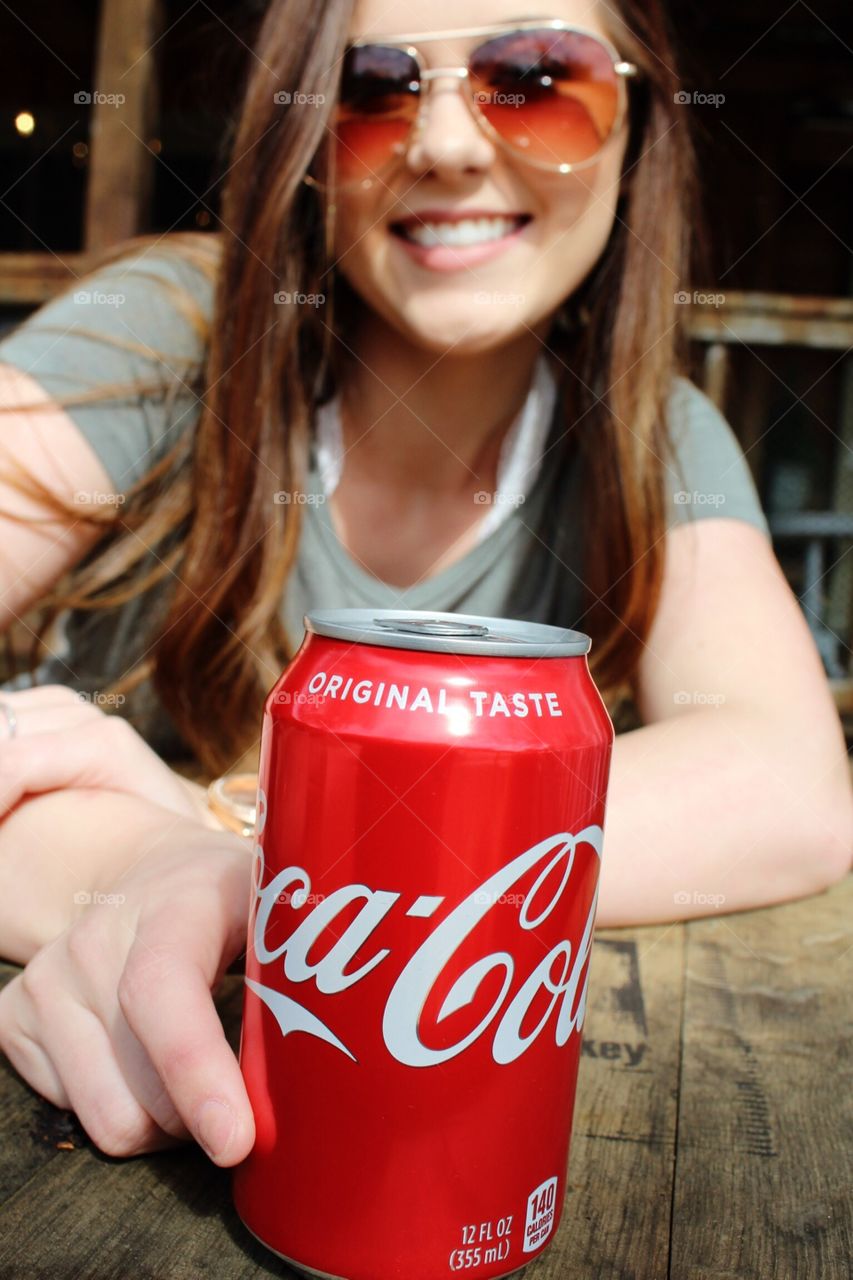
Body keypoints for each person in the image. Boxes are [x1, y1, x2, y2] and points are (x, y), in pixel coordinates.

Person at [0, 0, 850, 1170]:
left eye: (536, 76)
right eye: (371, 89)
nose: (444, 144)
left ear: (641, 122)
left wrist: (240, 849)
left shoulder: (647, 439)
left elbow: (785, 782)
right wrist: (124, 869)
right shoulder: (169, 335)